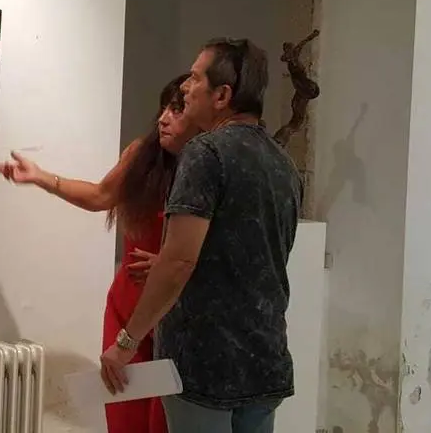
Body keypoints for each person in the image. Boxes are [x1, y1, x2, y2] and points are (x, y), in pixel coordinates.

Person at [99, 39, 302, 433]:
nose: (185, 87)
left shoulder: (205, 153)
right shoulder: (283, 163)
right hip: (267, 358)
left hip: (207, 364)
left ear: (222, 95)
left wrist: (126, 342)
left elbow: (178, 261)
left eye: (194, 79)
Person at [0, 74, 197, 433]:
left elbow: (222, 248)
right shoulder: (142, 154)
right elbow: (100, 195)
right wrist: (41, 177)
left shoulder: (209, 168)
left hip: (178, 310)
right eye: (164, 108)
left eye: (177, 110)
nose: (164, 118)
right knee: (125, 419)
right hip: (127, 305)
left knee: (166, 422)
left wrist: (169, 265)